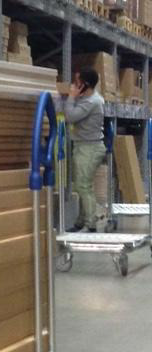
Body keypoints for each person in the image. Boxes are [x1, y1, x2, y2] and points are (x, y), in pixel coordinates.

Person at [64, 67, 106, 233]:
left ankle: (91, 224)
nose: (74, 85)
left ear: (85, 85)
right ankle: (81, 221)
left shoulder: (92, 102)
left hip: (90, 148)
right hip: (83, 146)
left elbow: (70, 116)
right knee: (82, 185)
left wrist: (71, 97)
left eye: (77, 82)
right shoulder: (86, 99)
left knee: (83, 186)